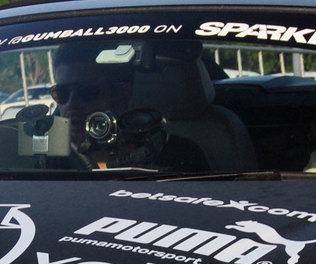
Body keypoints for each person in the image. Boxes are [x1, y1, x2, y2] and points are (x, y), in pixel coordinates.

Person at [50, 42, 210, 171]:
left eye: (87, 91)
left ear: (122, 93)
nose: (71, 103)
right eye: (62, 93)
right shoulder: (50, 160)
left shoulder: (179, 156)